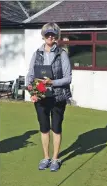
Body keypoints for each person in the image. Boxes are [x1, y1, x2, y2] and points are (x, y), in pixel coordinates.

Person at [26, 22, 72, 172]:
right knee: (44, 128)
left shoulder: (62, 54)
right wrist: (32, 92)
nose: (50, 37)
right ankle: (46, 157)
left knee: (56, 128)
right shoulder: (36, 53)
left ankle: (55, 158)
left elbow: (68, 78)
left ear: (56, 36)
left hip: (58, 97)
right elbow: (30, 75)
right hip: (41, 97)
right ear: (43, 36)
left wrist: (52, 82)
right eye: (47, 34)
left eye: (53, 34)